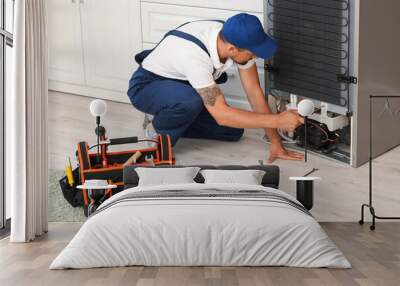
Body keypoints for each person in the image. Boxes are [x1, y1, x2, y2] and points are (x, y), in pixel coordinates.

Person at [127, 13, 304, 162]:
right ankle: (158, 131)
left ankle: (174, 118)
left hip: (183, 82)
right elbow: (222, 115)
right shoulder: (194, 58)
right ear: (233, 49)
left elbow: (254, 92)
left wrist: (276, 143)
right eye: (252, 54)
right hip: (148, 86)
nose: (255, 58)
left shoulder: (232, 36)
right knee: (193, 102)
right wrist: (278, 120)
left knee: (233, 130)